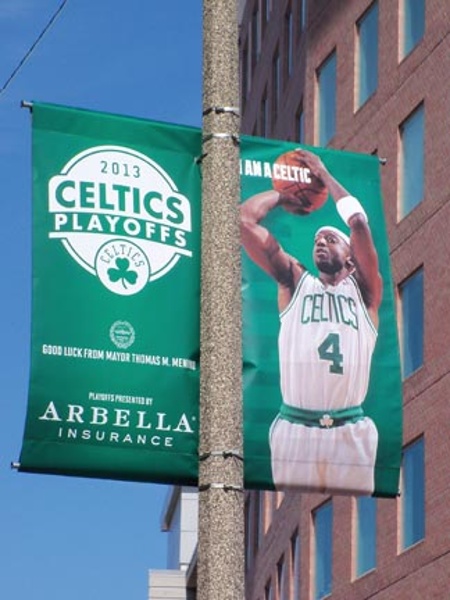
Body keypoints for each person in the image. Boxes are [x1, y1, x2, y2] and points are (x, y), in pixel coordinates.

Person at [240, 148, 382, 494]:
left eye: (331, 239)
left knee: (354, 509)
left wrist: (322, 173)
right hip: (294, 426)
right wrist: (285, 192)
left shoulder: (365, 293)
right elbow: (243, 221)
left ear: (350, 260)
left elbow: (359, 223)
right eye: (317, 239)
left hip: (351, 428)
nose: (321, 242)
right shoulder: (295, 281)